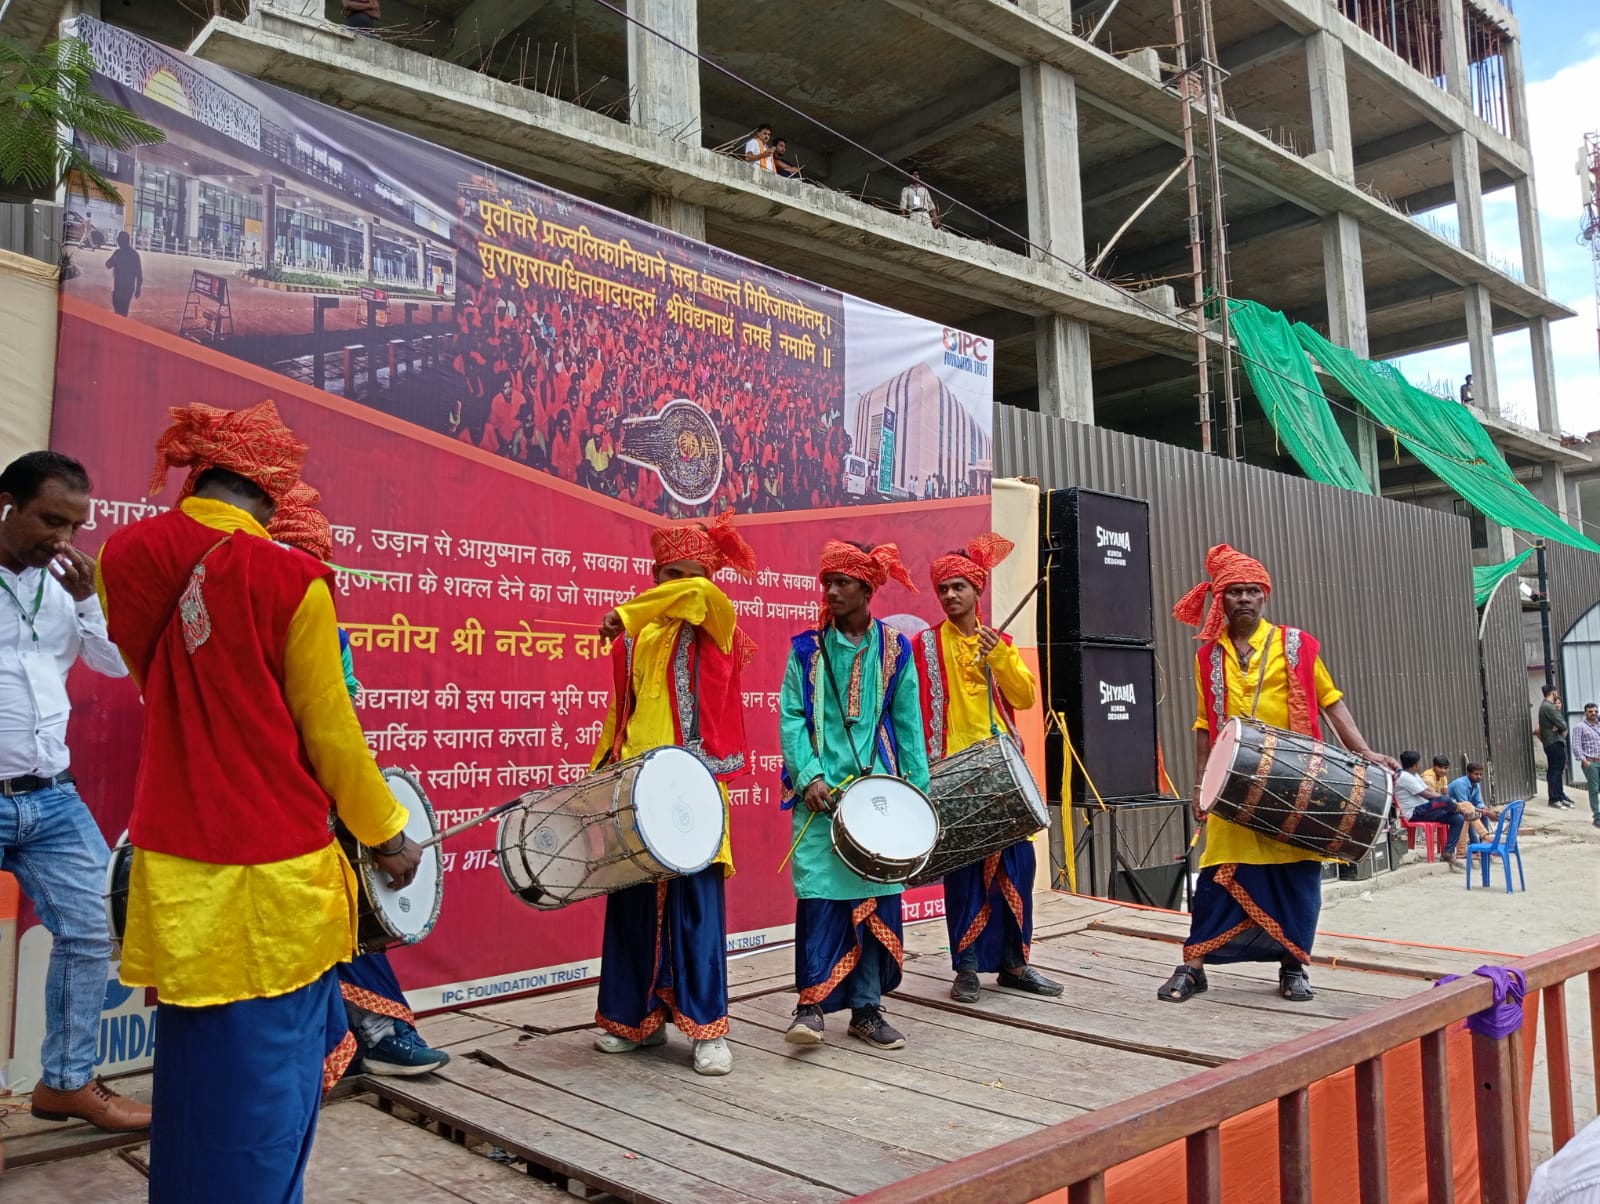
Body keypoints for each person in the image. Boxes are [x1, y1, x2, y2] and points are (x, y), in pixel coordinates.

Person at [98, 401, 423, 1202]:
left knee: (195, 1077)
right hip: (273, 876)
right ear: (273, 496)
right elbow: (332, 738)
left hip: (177, 863)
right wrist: (387, 836)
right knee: (266, 1091)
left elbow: (162, 688)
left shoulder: (123, 556)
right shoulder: (291, 580)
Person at [1156, 544, 1394, 1005]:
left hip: (1294, 785)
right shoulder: (1207, 657)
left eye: (1252, 591)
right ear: (1220, 600)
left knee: (1296, 877)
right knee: (1216, 874)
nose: (1244, 598)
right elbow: (1205, 725)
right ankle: (1194, 966)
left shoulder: (1296, 644)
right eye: (1234, 592)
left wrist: (1361, 750)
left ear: (1264, 597)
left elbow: (1331, 700)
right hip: (1231, 789)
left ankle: (1293, 968)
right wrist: (1201, 782)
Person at [267, 482, 450, 1079]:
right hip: (261, 806)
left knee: (344, 904)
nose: (312, 582)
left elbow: (334, 729)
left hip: (307, 797)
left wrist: (372, 818)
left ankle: (372, 1030)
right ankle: (363, 1034)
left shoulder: (330, 633)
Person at [0, 453, 148, 1137]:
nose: (62, 539)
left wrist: (90, 598)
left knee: (94, 930)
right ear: (7, 504)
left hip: (53, 796)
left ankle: (65, 1085)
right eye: (49, 520)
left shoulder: (66, 585)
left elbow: (117, 664)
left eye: (74, 525)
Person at [589, 511, 757, 1077]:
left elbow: (699, 592)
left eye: (686, 575)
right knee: (633, 905)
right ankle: (631, 1020)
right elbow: (621, 714)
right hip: (638, 787)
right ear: (653, 573)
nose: (676, 586)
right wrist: (597, 776)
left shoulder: (717, 619)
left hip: (695, 790)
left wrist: (629, 609)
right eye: (665, 574)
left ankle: (709, 1030)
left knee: (695, 910)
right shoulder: (633, 642)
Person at [780, 540, 929, 1050]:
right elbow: (793, 719)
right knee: (820, 900)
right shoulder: (806, 649)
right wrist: (809, 777)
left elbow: (908, 722)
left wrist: (918, 795)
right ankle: (810, 1008)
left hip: (879, 798)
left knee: (875, 902)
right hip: (820, 799)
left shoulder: (895, 650)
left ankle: (867, 1010)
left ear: (867, 589)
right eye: (827, 582)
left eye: (842, 583)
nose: (831, 591)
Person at [916, 534, 1062, 1004]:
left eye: (960, 587)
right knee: (962, 876)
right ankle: (967, 968)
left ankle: (1017, 964)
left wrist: (999, 654)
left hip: (1000, 773)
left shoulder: (1001, 642)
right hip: (952, 776)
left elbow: (1024, 698)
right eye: (944, 589)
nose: (951, 596)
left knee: (1016, 869)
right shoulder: (923, 646)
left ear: (978, 592)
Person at [1394, 751, 1477, 870]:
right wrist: (1447, 801)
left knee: (1457, 819)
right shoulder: (1405, 777)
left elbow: (1429, 791)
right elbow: (1426, 794)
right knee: (1444, 800)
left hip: (1426, 810)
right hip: (1414, 813)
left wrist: (1449, 801)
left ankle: (1447, 853)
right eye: (1418, 763)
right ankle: (1464, 812)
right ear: (1415, 765)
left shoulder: (1414, 775)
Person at [1444, 762, 1498, 854]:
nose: (1479, 777)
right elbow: (1466, 805)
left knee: (1483, 814)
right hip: (1450, 810)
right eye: (1476, 774)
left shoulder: (1476, 785)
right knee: (1470, 814)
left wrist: (1488, 811)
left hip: (1464, 809)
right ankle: (1477, 845)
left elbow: (1478, 802)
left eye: (1481, 774)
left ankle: (1484, 846)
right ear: (1468, 773)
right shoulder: (1460, 784)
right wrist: (1485, 812)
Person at [1538, 684, 1574, 808]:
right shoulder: (1548, 707)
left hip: (1556, 741)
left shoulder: (1546, 707)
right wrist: (1559, 725)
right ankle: (1554, 798)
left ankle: (1559, 795)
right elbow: (1563, 725)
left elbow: (1560, 725)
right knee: (1554, 770)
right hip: (1553, 742)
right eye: (1556, 693)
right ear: (1553, 693)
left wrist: (1558, 726)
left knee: (1558, 770)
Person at [1572, 702, 1600, 829]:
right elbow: (1576, 745)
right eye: (1590, 711)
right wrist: (1584, 761)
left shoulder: (1599, 726)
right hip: (1591, 762)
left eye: (1595, 711)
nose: (1593, 713)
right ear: (1585, 713)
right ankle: (1597, 817)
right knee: (1594, 788)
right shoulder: (1580, 727)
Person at [106, 231, 142, 318]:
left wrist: (138, 288)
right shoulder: (125, 253)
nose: (118, 241)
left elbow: (139, 273)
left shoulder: (127, 254)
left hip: (124, 288)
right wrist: (138, 288)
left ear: (124, 241)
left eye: (120, 239)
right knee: (120, 309)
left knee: (121, 310)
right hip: (122, 287)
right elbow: (108, 265)